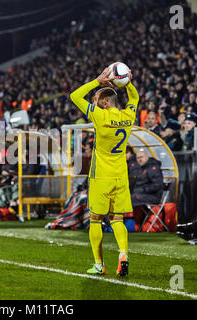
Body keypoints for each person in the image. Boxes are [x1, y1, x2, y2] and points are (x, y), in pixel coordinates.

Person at [70, 66, 138, 277]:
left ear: (106, 102)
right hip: (120, 175)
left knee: (95, 220)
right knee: (117, 219)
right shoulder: (129, 115)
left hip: (101, 175)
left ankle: (99, 265)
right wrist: (128, 83)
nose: (93, 102)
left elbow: (74, 96)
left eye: (97, 99)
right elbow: (134, 98)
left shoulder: (99, 116)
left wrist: (97, 82)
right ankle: (123, 254)